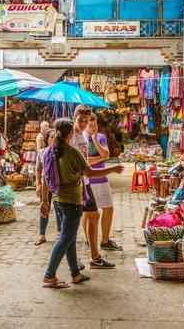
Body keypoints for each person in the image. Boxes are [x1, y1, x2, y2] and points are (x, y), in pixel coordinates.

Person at [41, 119, 125, 288]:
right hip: (72, 200)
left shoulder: (49, 151)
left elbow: (45, 178)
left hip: (58, 200)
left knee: (70, 238)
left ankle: (75, 274)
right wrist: (113, 168)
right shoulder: (73, 152)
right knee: (65, 238)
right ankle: (50, 275)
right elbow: (90, 173)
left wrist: (44, 201)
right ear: (70, 133)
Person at [72, 105, 114, 269]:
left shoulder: (83, 139)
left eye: (86, 120)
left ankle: (95, 257)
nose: (83, 123)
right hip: (74, 184)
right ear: (74, 118)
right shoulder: (70, 137)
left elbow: (88, 163)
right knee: (72, 223)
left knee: (94, 215)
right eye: (81, 120)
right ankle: (72, 260)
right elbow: (86, 165)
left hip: (85, 182)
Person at [86, 113, 122, 251]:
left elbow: (106, 155)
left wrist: (95, 140)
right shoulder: (81, 138)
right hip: (88, 180)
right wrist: (99, 158)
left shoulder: (100, 137)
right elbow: (85, 161)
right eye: (90, 124)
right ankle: (89, 242)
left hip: (102, 179)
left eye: (95, 124)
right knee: (89, 214)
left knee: (108, 208)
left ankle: (105, 241)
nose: (93, 127)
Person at [35, 129, 61, 245]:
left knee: (58, 208)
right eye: (51, 137)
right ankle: (42, 234)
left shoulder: (60, 151)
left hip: (57, 184)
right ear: (46, 139)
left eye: (55, 137)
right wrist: (37, 185)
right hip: (45, 184)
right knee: (44, 208)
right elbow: (38, 169)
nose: (53, 139)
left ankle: (60, 232)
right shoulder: (41, 152)